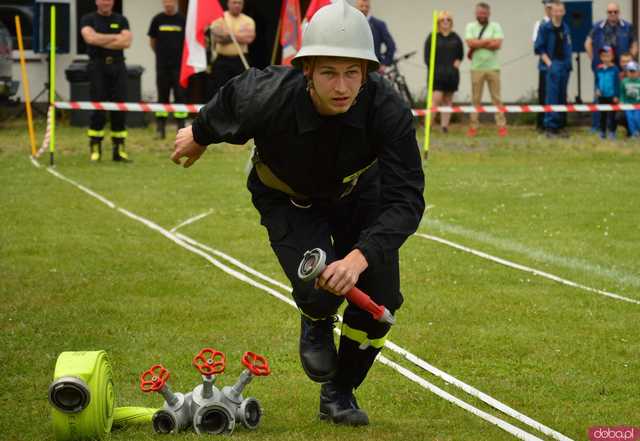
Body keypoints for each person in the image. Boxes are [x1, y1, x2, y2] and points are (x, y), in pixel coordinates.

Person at [171, 0, 424, 426]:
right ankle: (314, 313)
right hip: (287, 198)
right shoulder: (269, 94)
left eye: (352, 72)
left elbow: (407, 200)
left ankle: (340, 392)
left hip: (359, 196)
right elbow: (230, 101)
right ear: (307, 70)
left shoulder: (388, 110)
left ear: (367, 73)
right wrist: (198, 134)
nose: (341, 86)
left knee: (378, 299)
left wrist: (359, 258)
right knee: (317, 284)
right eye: (328, 72)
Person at [80, 0, 132, 162]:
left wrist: (100, 39)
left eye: (108, 0)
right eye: (102, 0)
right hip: (97, 66)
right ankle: (95, 148)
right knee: (98, 107)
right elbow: (90, 39)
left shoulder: (121, 19)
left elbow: (127, 42)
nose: (106, 3)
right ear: (97, 2)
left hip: (118, 66)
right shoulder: (88, 19)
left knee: (119, 107)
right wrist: (115, 38)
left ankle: (119, 150)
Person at [585, 2, 638, 131]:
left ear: (619, 12)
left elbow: (635, 45)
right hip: (603, 69)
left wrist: (630, 62)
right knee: (600, 94)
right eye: (610, 12)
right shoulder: (598, 27)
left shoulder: (628, 26)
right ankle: (597, 126)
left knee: (621, 95)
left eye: (615, 12)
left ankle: (620, 126)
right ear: (607, 13)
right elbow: (587, 43)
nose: (613, 14)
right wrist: (594, 60)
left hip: (622, 68)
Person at [464, 2, 507, 137]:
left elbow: (498, 44)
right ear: (476, 14)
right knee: (475, 99)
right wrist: (488, 41)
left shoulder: (496, 26)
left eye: (484, 13)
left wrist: (479, 43)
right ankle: (473, 126)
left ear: (488, 14)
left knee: (497, 98)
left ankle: (501, 126)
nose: (481, 15)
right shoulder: (470, 26)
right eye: (479, 13)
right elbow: (470, 43)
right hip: (476, 68)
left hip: (493, 68)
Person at [148, 0, 187, 139]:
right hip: (162, 66)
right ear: (163, 3)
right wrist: (161, 54)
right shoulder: (157, 19)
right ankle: (160, 128)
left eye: (171, 2)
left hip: (179, 67)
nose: (168, 4)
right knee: (162, 96)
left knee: (180, 96)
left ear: (175, 3)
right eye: (166, 2)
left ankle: (181, 128)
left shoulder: (182, 19)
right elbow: (152, 42)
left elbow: (187, 41)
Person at [534, 0, 572, 138]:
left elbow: (568, 46)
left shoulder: (566, 27)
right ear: (551, 11)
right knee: (552, 97)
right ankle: (550, 127)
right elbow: (539, 48)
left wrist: (568, 65)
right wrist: (549, 63)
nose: (558, 13)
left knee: (562, 96)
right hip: (552, 64)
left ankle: (561, 126)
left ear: (564, 12)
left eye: (561, 11)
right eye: (555, 10)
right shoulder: (545, 27)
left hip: (565, 65)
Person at [424, 11, 463, 133]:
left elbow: (460, 54)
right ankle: (429, 125)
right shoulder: (433, 37)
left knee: (448, 100)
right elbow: (427, 56)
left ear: (451, 22)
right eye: (443, 20)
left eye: (448, 20)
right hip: (437, 74)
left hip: (451, 74)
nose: (445, 22)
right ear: (438, 23)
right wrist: (434, 69)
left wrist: (458, 61)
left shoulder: (455, 37)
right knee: (436, 99)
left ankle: (444, 126)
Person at [207, 0, 255, 100]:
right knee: (220, 90)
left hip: (240, 60)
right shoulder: (220, 17)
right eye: (234, 2)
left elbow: (249, 38)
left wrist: (227, 34)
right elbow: (217, 38)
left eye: (239, 3)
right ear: (228, 3)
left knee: (241, 89)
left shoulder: (248, 20)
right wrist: (239, 34)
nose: (237, 5)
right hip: (222, 60)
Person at [354, 0, 396, 70]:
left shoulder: (379, 25)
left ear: (369, 7)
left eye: (366, 6)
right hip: (354, 66)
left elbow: (391, 45)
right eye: (361, 6)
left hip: (373, 68)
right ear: (356, 7)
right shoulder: (350, 23)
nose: (364, 8)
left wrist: (385, 63)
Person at [532, 0, 553, 132]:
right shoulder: (539, 24)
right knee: (544, 95)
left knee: (557, 95)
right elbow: (536, 45)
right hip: (545, 66)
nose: (551, 10)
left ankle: (556, 123)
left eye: (552, 7)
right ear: (545, 8)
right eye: (548, 7)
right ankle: (541, 124)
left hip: (558, 65)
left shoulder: (561, 23)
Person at [595, 46, 620, 139]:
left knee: (612, 115)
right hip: (602, 96)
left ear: (612, 57)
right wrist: (597, 89)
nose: (605, 58)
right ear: (600, 57)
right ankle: (602, 132)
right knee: (602, 115)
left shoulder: (615, 69)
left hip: (612, 96)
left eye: (608, 56)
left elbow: (617, 84)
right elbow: (597, 81)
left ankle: (612, 132)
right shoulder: (599, 68)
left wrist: (616, 95)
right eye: (603, 56)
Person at [620, 61, 640, 137]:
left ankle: (638, 131)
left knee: (637, 118)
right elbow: (622, 93)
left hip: (638, 105)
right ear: (627, 72)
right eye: (630, 71)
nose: (632, 73)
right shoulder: (624, 81)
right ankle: (633, 133)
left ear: (638, 72)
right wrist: (622, 101)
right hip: (627, 104)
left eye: (633, 71)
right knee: (630, 118)